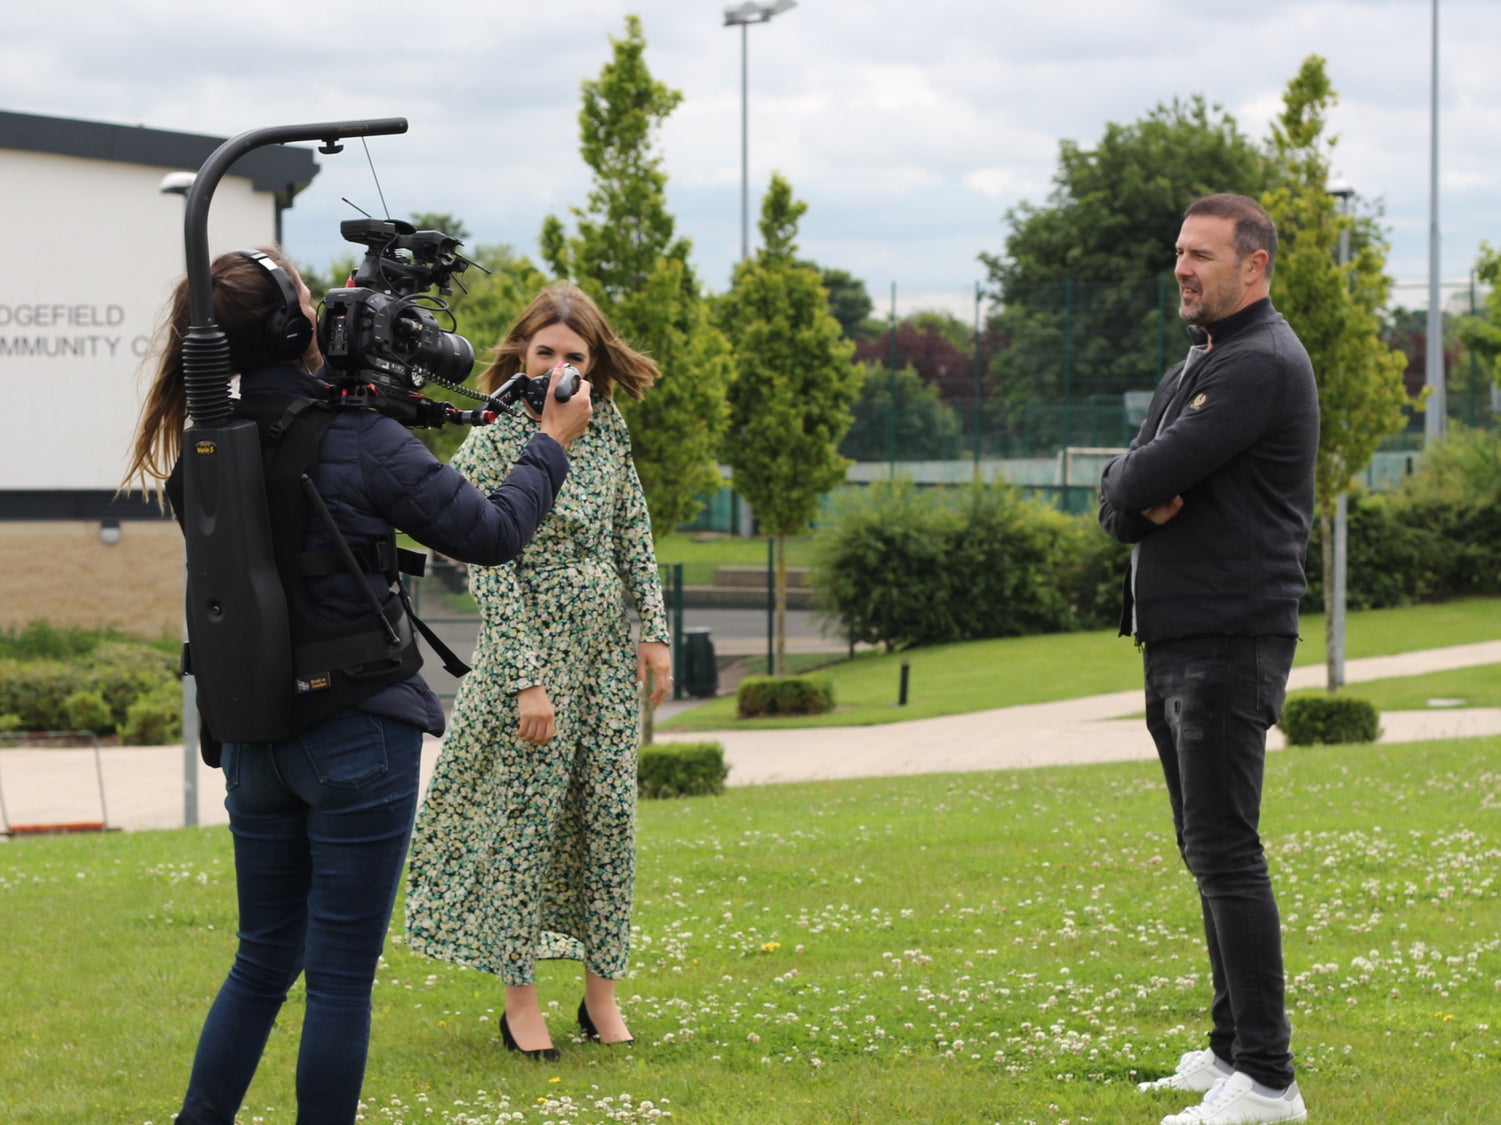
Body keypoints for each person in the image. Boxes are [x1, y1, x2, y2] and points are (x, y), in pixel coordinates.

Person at [121, 246, 593, 1125]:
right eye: (310, 299)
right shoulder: (357, 437)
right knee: (337, 974)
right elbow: (490, 532)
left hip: (256, 736)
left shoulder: (204, 446)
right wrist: (550, 444)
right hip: (354, 731)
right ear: (293, 327)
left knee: (262, 959)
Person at [404, 283, 672, 1059]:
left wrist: (652, 630)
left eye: (575, 355)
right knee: (524, 830)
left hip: (600, 659)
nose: (558, 366)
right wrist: (527, 677)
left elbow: (633, 526)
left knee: (608, 823)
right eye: (545, 350)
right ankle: (519, 1000)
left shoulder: (605, 426)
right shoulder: (490, 439)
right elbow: (489, 570)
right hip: (532, 660)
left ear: (595, 367)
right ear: (520, 352)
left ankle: (601, 994)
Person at [1097, 194, 1317, 1125]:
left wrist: (1132, 487)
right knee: (1204, 845)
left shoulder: (1259, 364)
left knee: (1226, 848)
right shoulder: (1202, 361)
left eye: (1200, 255)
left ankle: (1268, 1080)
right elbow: (1122, 498)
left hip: (1229, 635)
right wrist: (1129, 491)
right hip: (1179, 634)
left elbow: (1141, 477)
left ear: (1252, 266)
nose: (1182, 268)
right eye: (1178, 253)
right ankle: (1230, 1053)